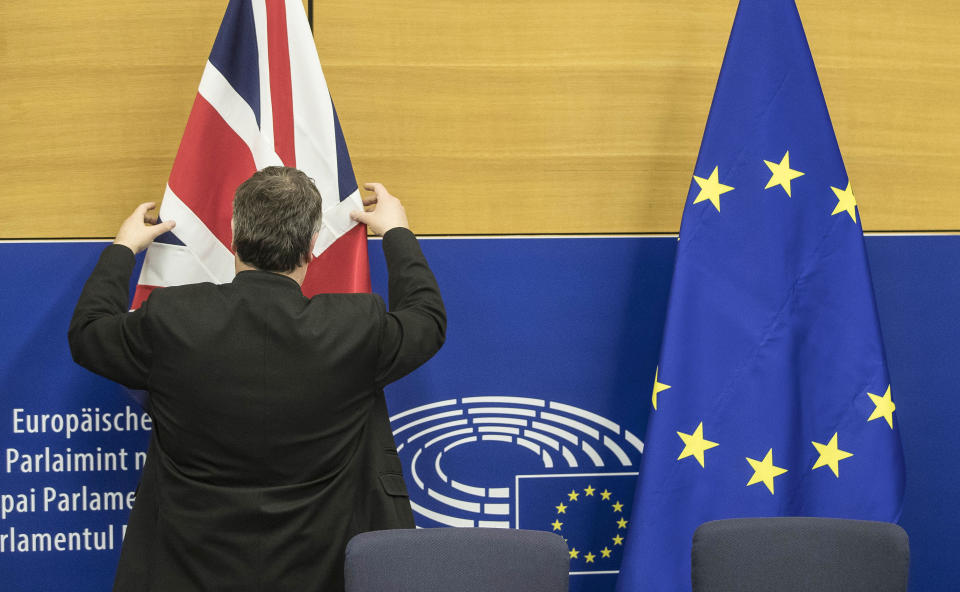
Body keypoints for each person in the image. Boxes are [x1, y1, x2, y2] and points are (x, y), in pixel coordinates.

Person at [68, 167, 446, 592]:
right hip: (319, 573)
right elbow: (427, 321)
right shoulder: (356, 326)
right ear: (309, 246)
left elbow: (87, 334)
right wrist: (397, 232)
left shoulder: (173, 318)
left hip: (187, 573)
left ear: (233, 234)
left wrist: (123, 249)